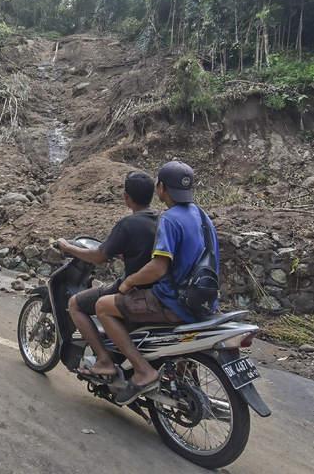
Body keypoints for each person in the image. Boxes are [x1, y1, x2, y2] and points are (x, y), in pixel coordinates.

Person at [85, 160, 219, 405]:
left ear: (160, 188)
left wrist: (129, 283)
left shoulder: (169, 218)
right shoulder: (202, 217)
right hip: (204, 301)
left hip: (173, 302)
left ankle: (142, 370)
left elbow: (158, 268)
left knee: (103, 306)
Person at [55, 170, 159, 383]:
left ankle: (104, 360)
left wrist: (68, 248)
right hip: (158, 289)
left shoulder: (128, 224)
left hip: (133, 290)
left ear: (126, 196)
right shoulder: (161, 218)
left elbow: (98, 256)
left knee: (75, 303)